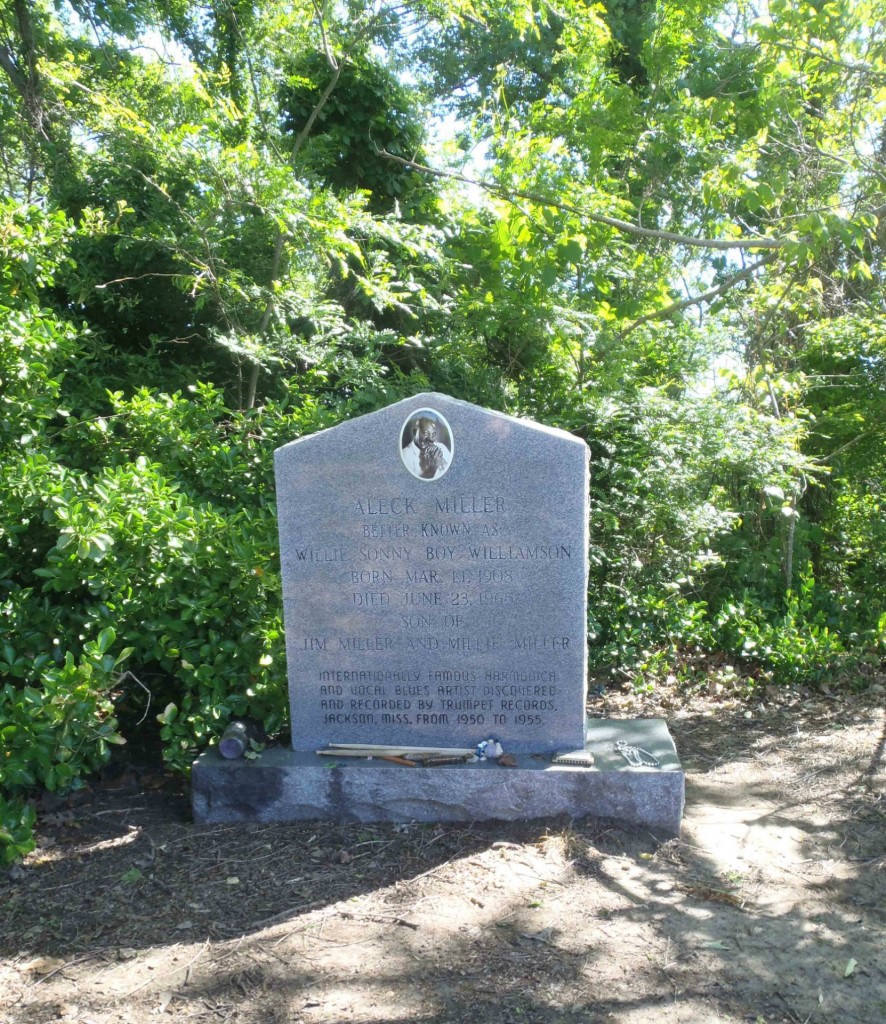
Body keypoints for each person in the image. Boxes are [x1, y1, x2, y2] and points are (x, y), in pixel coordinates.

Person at [401, 415, 451, 479]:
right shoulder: (405, 455)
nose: (430, 439)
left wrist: (442, 462)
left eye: (433, 434)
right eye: (425, 433)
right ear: (415, 432)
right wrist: (432, 469)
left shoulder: (442, 447)